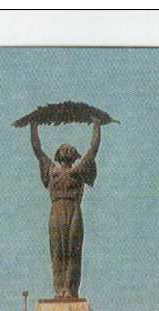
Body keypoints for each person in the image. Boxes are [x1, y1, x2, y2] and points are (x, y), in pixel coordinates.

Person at [29, 119, 101, 299]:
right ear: (58, 155)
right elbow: (38, 151)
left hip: (74, 209)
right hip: (56, 210)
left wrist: (97, 127)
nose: (66, 150)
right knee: (57, 249)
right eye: (63, 149)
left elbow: (93, 151)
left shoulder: (78, 171)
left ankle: (70, 288)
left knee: (72, 250)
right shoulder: (51, 171)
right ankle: (59, 288)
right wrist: (33, 126)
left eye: (70, 149)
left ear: (74, 155)